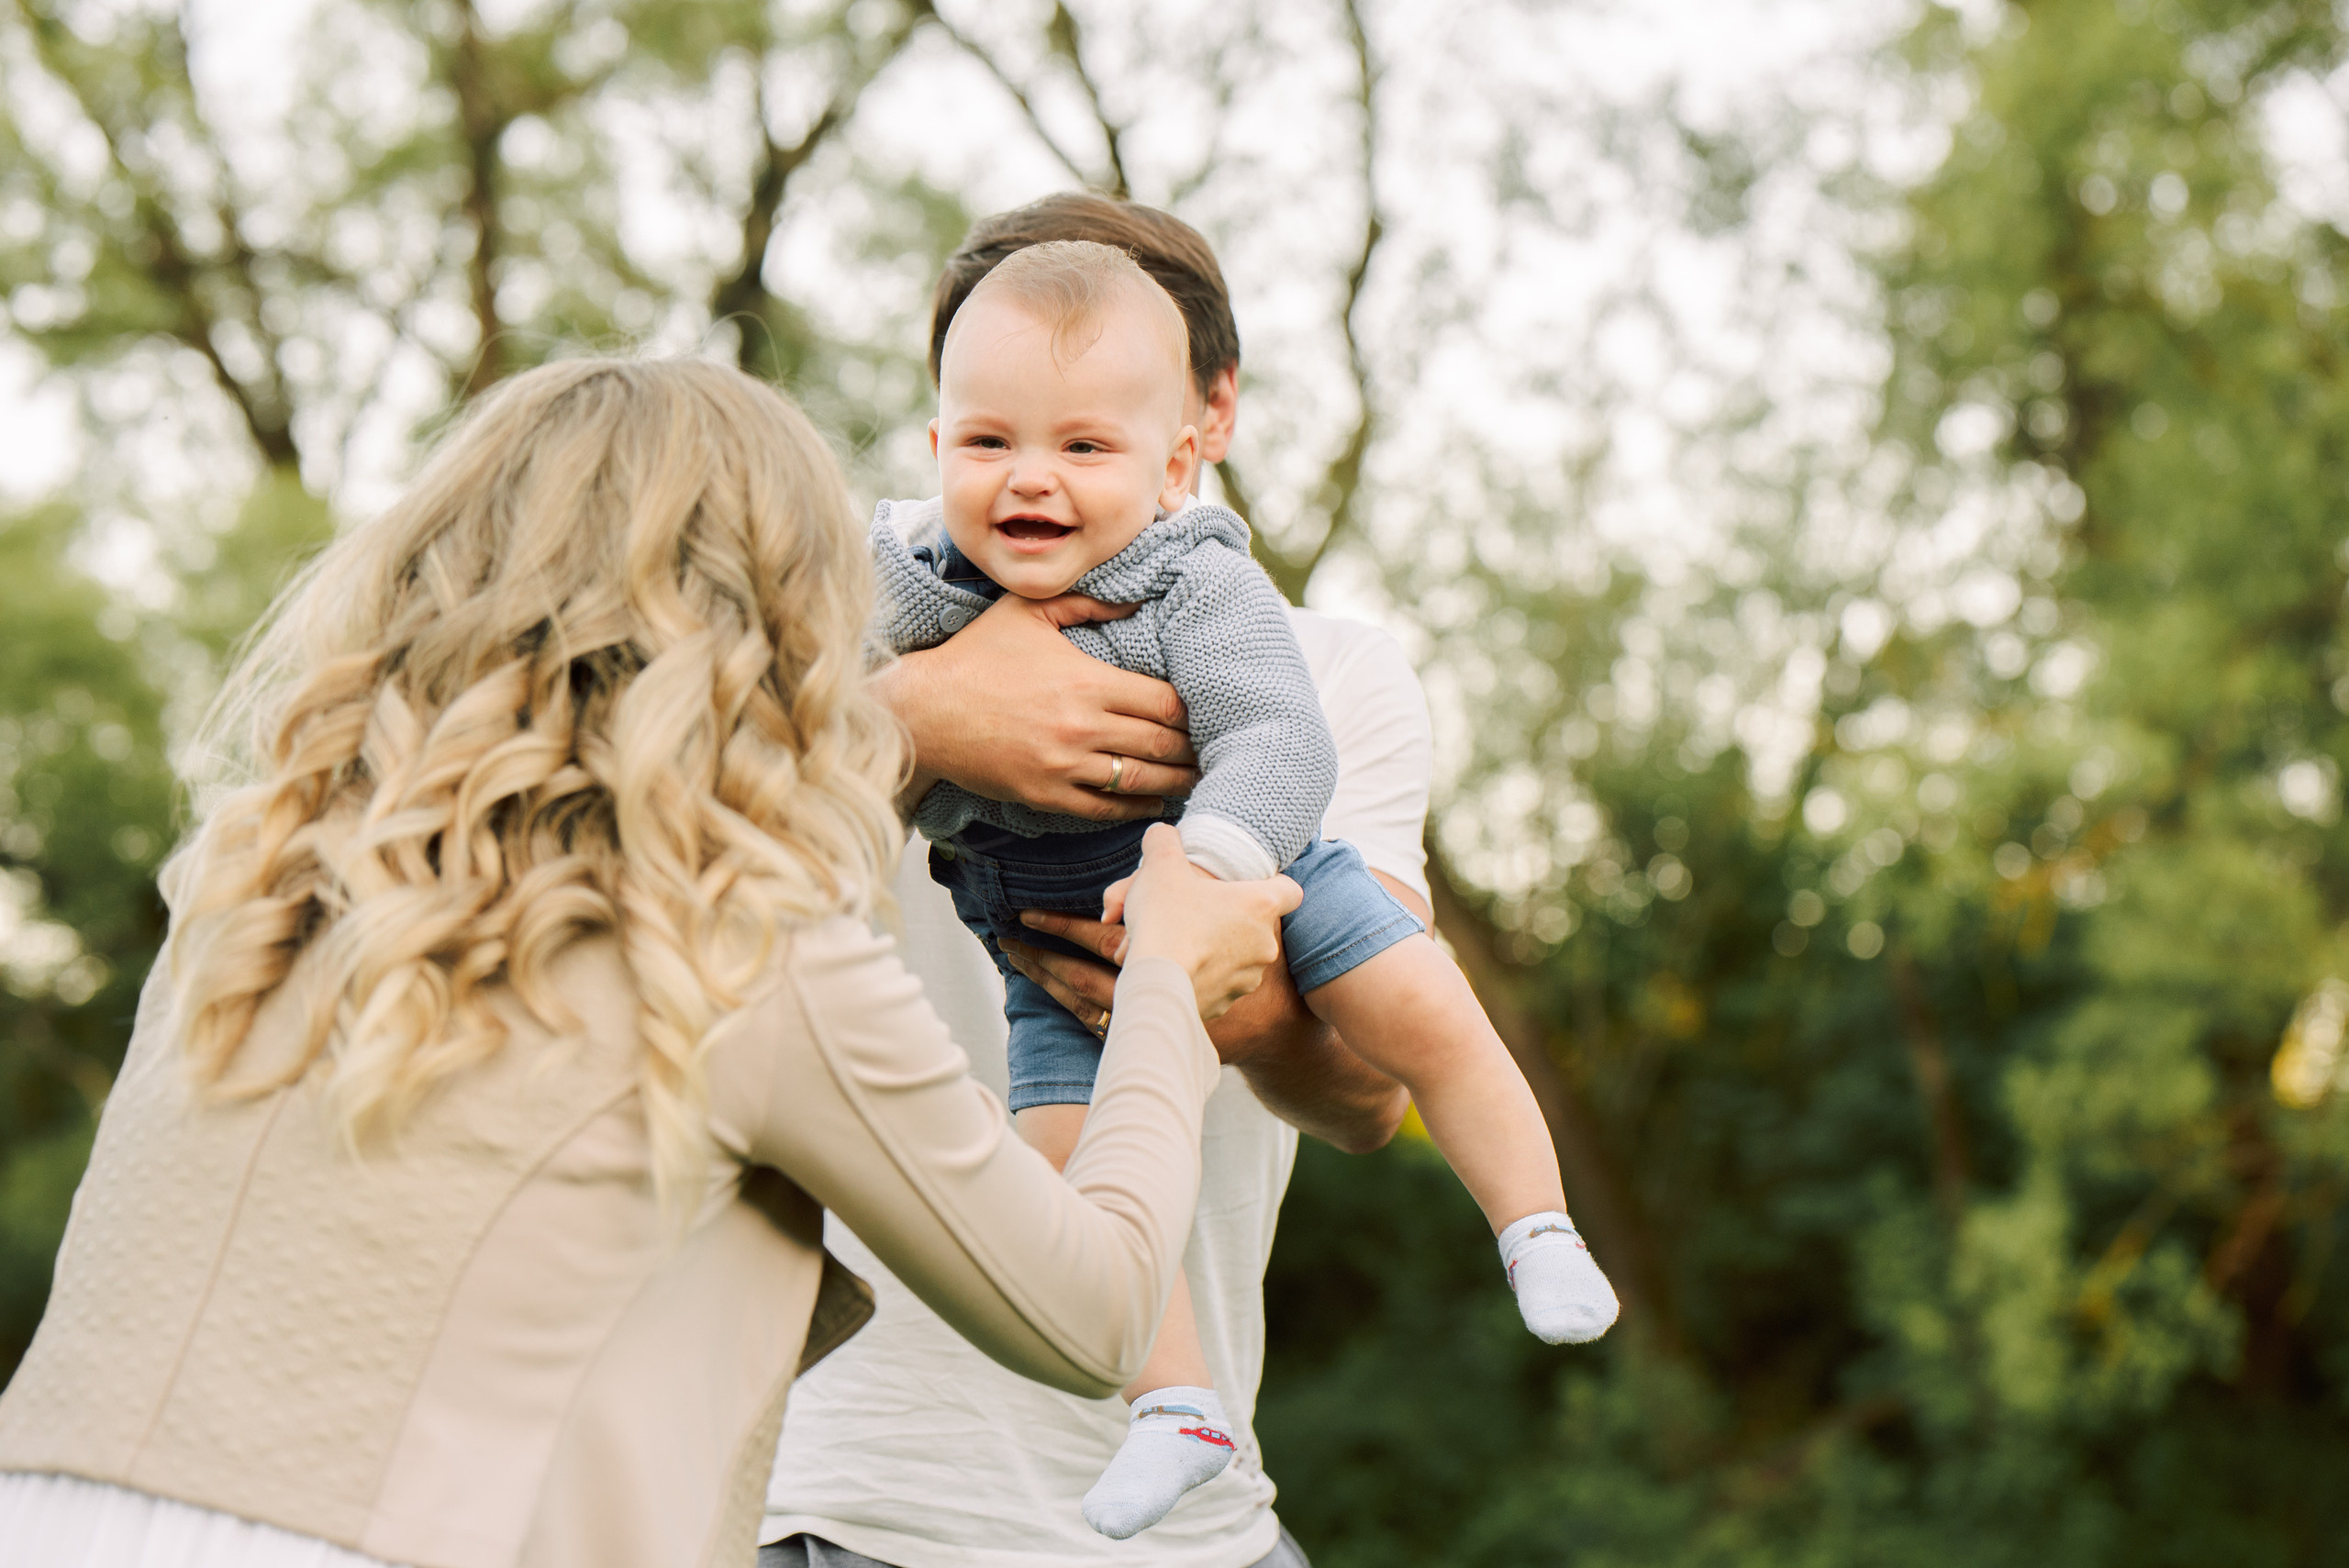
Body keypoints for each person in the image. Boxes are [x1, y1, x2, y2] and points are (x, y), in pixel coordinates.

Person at [0, 358, 1303, 1568]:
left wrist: (914, 732)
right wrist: (1167, 986)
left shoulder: (257, 867)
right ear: (786, 619)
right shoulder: (746, 942)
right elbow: (1098, 1312)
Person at [761, 196, 1606, 1568]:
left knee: (1424, 1007)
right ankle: (1177, 1395)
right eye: (993, 426)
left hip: (1192, 1543)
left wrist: (1183, 958)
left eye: (1090, 427)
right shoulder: (847, 626)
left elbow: (1362, 1092)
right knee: (1058, 1182)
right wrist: (913, 721)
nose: (1037, 468)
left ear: (1200, 420)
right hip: (850, 1492)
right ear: (946, 426)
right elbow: (654, 826)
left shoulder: (1327, 665)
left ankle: (1535, 1228)